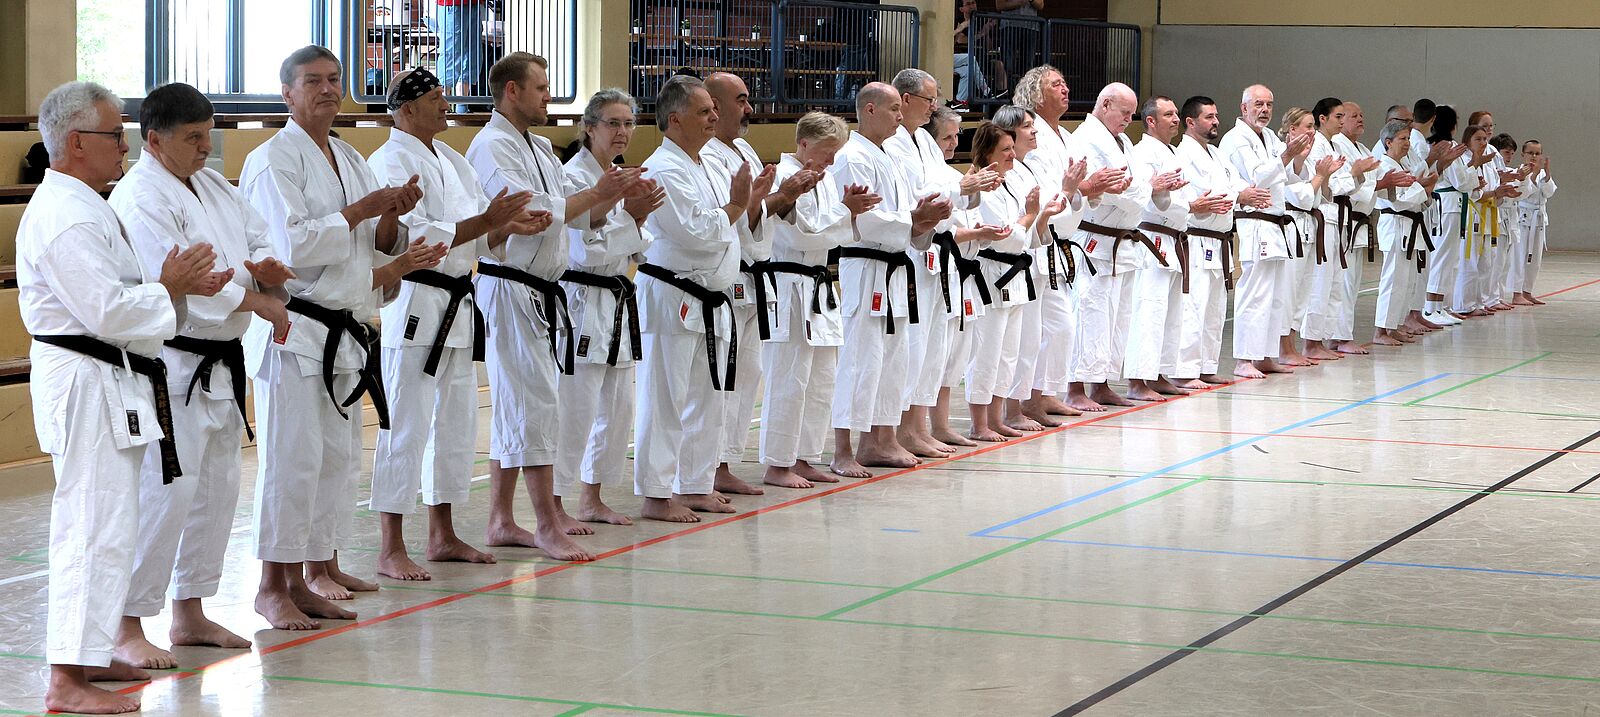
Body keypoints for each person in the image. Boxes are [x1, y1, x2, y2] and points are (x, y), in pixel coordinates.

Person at [23, 81, 231, 714]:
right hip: (86, 381)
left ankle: (89, 653)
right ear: (76, 142)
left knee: (114, 526)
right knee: (90, 528)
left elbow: (125, 301)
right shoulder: (65, 215)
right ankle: (65, 679)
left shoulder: (89, 204)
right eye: (115, 134)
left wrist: (176, 289)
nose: (124, 145)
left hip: (112, 380)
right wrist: (168, 287)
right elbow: (107, 310)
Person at [241, 45, 436, 631]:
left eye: (334, 79)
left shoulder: (349, 155)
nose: (327, 89)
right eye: (313, 81)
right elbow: (289, 249)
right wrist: (359, 210)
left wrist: (392, 213)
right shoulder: (273, 161)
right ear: (287, 93)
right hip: (295, 327)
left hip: (344, 327)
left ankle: (317, 569)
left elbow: (373, 245)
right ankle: (273, 586)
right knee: (291, 463)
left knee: (336, 461)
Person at [109, 82, 291, 670]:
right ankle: (127, 622)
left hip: (220, 359)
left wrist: (265, 270)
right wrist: (255, 298)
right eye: (192, 138)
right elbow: (187, 280)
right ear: (153, 140)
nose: (205, 147)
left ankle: (189, 611)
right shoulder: (141, 196)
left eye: (207, 134)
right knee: (166, 492)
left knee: (216, 489)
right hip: (172, 361)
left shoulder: (211, 183)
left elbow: (256, 238)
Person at [368, 65, 550, 576]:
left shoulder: (451, 159)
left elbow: (477, 233)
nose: (446, 104)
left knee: (455, 424)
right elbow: (417, 237)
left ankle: (442, 533)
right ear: (408, 109)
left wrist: (506, 227)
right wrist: (488, 222)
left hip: (458, 303)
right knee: (404, 424)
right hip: (415, 299)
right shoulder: (389, 160)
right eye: (436, 98)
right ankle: (390, 546)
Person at [468, 52, 637, 552]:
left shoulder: (540, 146)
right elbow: (534, 213)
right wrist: (598, 193)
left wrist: (616, 199)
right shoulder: (491, 146)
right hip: (509, 286)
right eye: (541, 88)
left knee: (519, 407)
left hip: (540, 290)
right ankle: (546, 522)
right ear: (512, 91)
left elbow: (581, 215)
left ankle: (501, 520)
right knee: (536, 404)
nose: (549, 96)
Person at [634, 75, 754, 521]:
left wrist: (743, 204)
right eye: (704, 111)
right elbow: (697, 232)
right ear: (674, 120)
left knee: (707, 397)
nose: (713, 117)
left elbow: (727, 228)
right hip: (673, 295)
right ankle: (656, 494)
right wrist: (737, 206)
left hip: (710, 298)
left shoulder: (705, 164)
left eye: (713, 110)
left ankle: (695, 484)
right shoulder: (662, 169)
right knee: (665, 399)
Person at [829, 82, 951, 472]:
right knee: (860, 359)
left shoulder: (888, 156)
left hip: (896, 267)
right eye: (894, 109)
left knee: (893, 359)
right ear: (869, 109)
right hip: (866, 266)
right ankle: (843, 450)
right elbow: (864, 220)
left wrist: (924, 220)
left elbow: (906, 217)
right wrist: (913, 220)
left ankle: (881, 440)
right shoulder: (852, 157)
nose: (900, 116)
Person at [556, 88, 663, 522]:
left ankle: (592, 496)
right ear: (589, 128)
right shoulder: (571, 178)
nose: (622, 132)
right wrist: (633, 221)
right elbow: (584, 250)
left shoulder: (623, 175)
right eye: (613, 123)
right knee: (576, 407)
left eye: (629, 123)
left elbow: (641, 247)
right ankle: (555, 503)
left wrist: (637, 219)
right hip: (581, 300)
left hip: (617, 300)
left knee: (617, 408)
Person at [759, 113, 877, 488]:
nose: (831, 160)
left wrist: (846, 211)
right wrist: (846, 212)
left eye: (836, 153)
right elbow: (803, 234)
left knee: (822, 380)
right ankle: (777, 464)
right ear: (804, 142)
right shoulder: (783, 178)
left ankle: (805, 457)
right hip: (788, 283)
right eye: (827, 151)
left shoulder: (822, 179)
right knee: (789, 379)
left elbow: (832, 232)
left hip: (818, 285)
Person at [886, 68, 997, 455]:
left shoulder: (922, 141)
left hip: (936, 250)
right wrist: (958, 186)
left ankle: (919, 428)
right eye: (929, 99)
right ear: (905, 99)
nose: (934, 106)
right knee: (915, 344)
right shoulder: (895, 143)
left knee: (933, 348)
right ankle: (903, 430)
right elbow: (919, 193)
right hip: (914, 247)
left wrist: (968, 187)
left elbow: (943, 183)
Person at [1014, 65, 1110, 418]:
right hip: (1040, 237)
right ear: (1036, 95)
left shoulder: (1065, 135)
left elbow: (1073, 187)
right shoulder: (1032, 135)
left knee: (1060, 327)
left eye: (1065, 82)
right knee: (1036, 329)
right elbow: (1043, 188)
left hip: (1061, 239)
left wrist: (1091, 189)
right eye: (1056, 84)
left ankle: (1048, 392)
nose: (1065, 88)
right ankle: (1029, 398)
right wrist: (1079, 189)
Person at [702, 72, 781, 498]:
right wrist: (755, 202)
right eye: (742, 99)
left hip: (751, 275)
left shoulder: (743, 149)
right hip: (723, 277)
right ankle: (708, 465)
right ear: (714, 105)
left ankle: (726, 461)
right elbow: (723, 218)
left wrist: (761, 202)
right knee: (722, 375)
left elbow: (753, 215)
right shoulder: (705, 154)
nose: (749, 108)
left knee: (747, 373)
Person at [1067, 83, 1170, 409]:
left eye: (1132, 114)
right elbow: (1112, 191)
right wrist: (1143, 188)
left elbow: (1133, 185)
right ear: (1106, 104)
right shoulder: (1086, 138)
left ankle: (1101, 384)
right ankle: (1074, 388)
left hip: (1122, 240)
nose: (1129, 119)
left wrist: (1139, 188)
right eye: (1124, 112)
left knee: (1116, 318)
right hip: (1094, 241)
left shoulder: (1123, 141)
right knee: (1089, 312)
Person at [1124, 95, 1217, 401]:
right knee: (1148, 310)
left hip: (1175, 237)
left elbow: (1180, 194)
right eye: (1168, 115)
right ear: (1151, 121)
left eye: (1176, 113)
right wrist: (1189, 205)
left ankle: (1159, 373)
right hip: (1152, 239)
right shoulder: (1142, 153)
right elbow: (1150, 197)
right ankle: (1137, 380)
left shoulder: (1173, 152)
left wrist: (1191, 204)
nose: (1176, 119)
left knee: (1171, 313)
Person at [1173, 95, 1268, 385]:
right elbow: (1206, 193)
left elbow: (1234, 182)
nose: (1215, 122)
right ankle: (1184, 372)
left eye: (1215, 116)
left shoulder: (1216, 154)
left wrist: (1245, 192)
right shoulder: (1183, 154)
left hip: (1219, 240)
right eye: (1209, 117)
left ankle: (1206, 366)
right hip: (1195, 239)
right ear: (1190, 122)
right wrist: (1240, 196)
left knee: (1214, 309)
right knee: (1193, 306)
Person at [1219, 84, 1311, 379]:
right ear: (1243, 107)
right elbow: (1257, 178)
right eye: (1258, 104)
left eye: (1269, 104)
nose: (1264, 110)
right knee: (1254, 294)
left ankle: (1266, 355)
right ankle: (1244, 359)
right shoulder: (1235, 139)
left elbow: (1288, 177)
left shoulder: (1270, 137)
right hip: (1254, 222)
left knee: (1275, 296)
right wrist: (1286, 157)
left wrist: (1297, 156)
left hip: (1275, 223)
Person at [1371, 118, 1435, 346]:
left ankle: (1395, 325)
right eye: (1402, 138)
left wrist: (1422, 187)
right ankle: (1380, 331)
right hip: (1395, 224)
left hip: (1410, 225)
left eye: (1408, 138)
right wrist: (1423, 188)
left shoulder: (1400, 167)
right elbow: (1399, 200)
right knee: (1392, 280)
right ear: (1388, 142)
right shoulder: (1384, 166)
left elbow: (1414, 198)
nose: (1407, 143)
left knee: (1406, 281)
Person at [1511, 140, 1556, 305]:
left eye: (1537, 153)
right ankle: (1516, 293)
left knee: (1535, 259)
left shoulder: (1544, 173)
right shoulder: (1518, 172)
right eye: (1530, 153)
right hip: (1523, 219)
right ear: (1523, 154)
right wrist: (1534, 176)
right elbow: (1522, 193)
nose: (1534, 156)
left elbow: (1549, 193)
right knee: (1520, 257)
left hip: (1538, 220)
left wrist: (1547, 175)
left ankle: (1527, 291)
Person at [434, 0, 492, 98]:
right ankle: (443, 100)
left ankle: (462, 103)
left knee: (472, 56)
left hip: (473, 4)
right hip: (453, 4)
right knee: (452, 54)